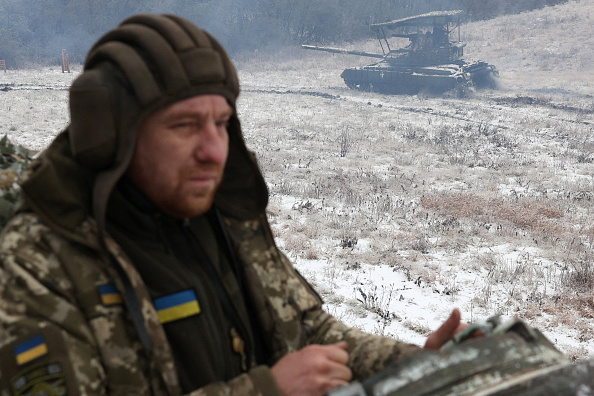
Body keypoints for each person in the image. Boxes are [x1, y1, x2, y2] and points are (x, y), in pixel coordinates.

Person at [0, 14, 465, 396]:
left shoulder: (227, 215)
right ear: (112, 139)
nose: (214, 151)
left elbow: (307, 331)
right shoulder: (36, 265)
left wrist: (417, 364)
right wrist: (266, 391)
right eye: (184, 126)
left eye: (222, 123)